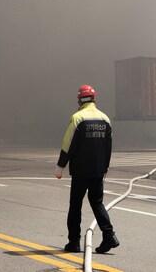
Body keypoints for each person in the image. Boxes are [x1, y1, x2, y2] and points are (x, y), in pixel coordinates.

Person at [55, 84, 118, 254]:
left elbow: (67, 145)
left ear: (79, 99)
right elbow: (108, 147)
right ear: (94, 98)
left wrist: (60, 166)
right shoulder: (105, 119)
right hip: (98, 171)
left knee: (75, 205)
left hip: (80, 171)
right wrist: (105, 167)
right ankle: (109, 236)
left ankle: (74, 242)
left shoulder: (77, 118)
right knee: (97, 203)